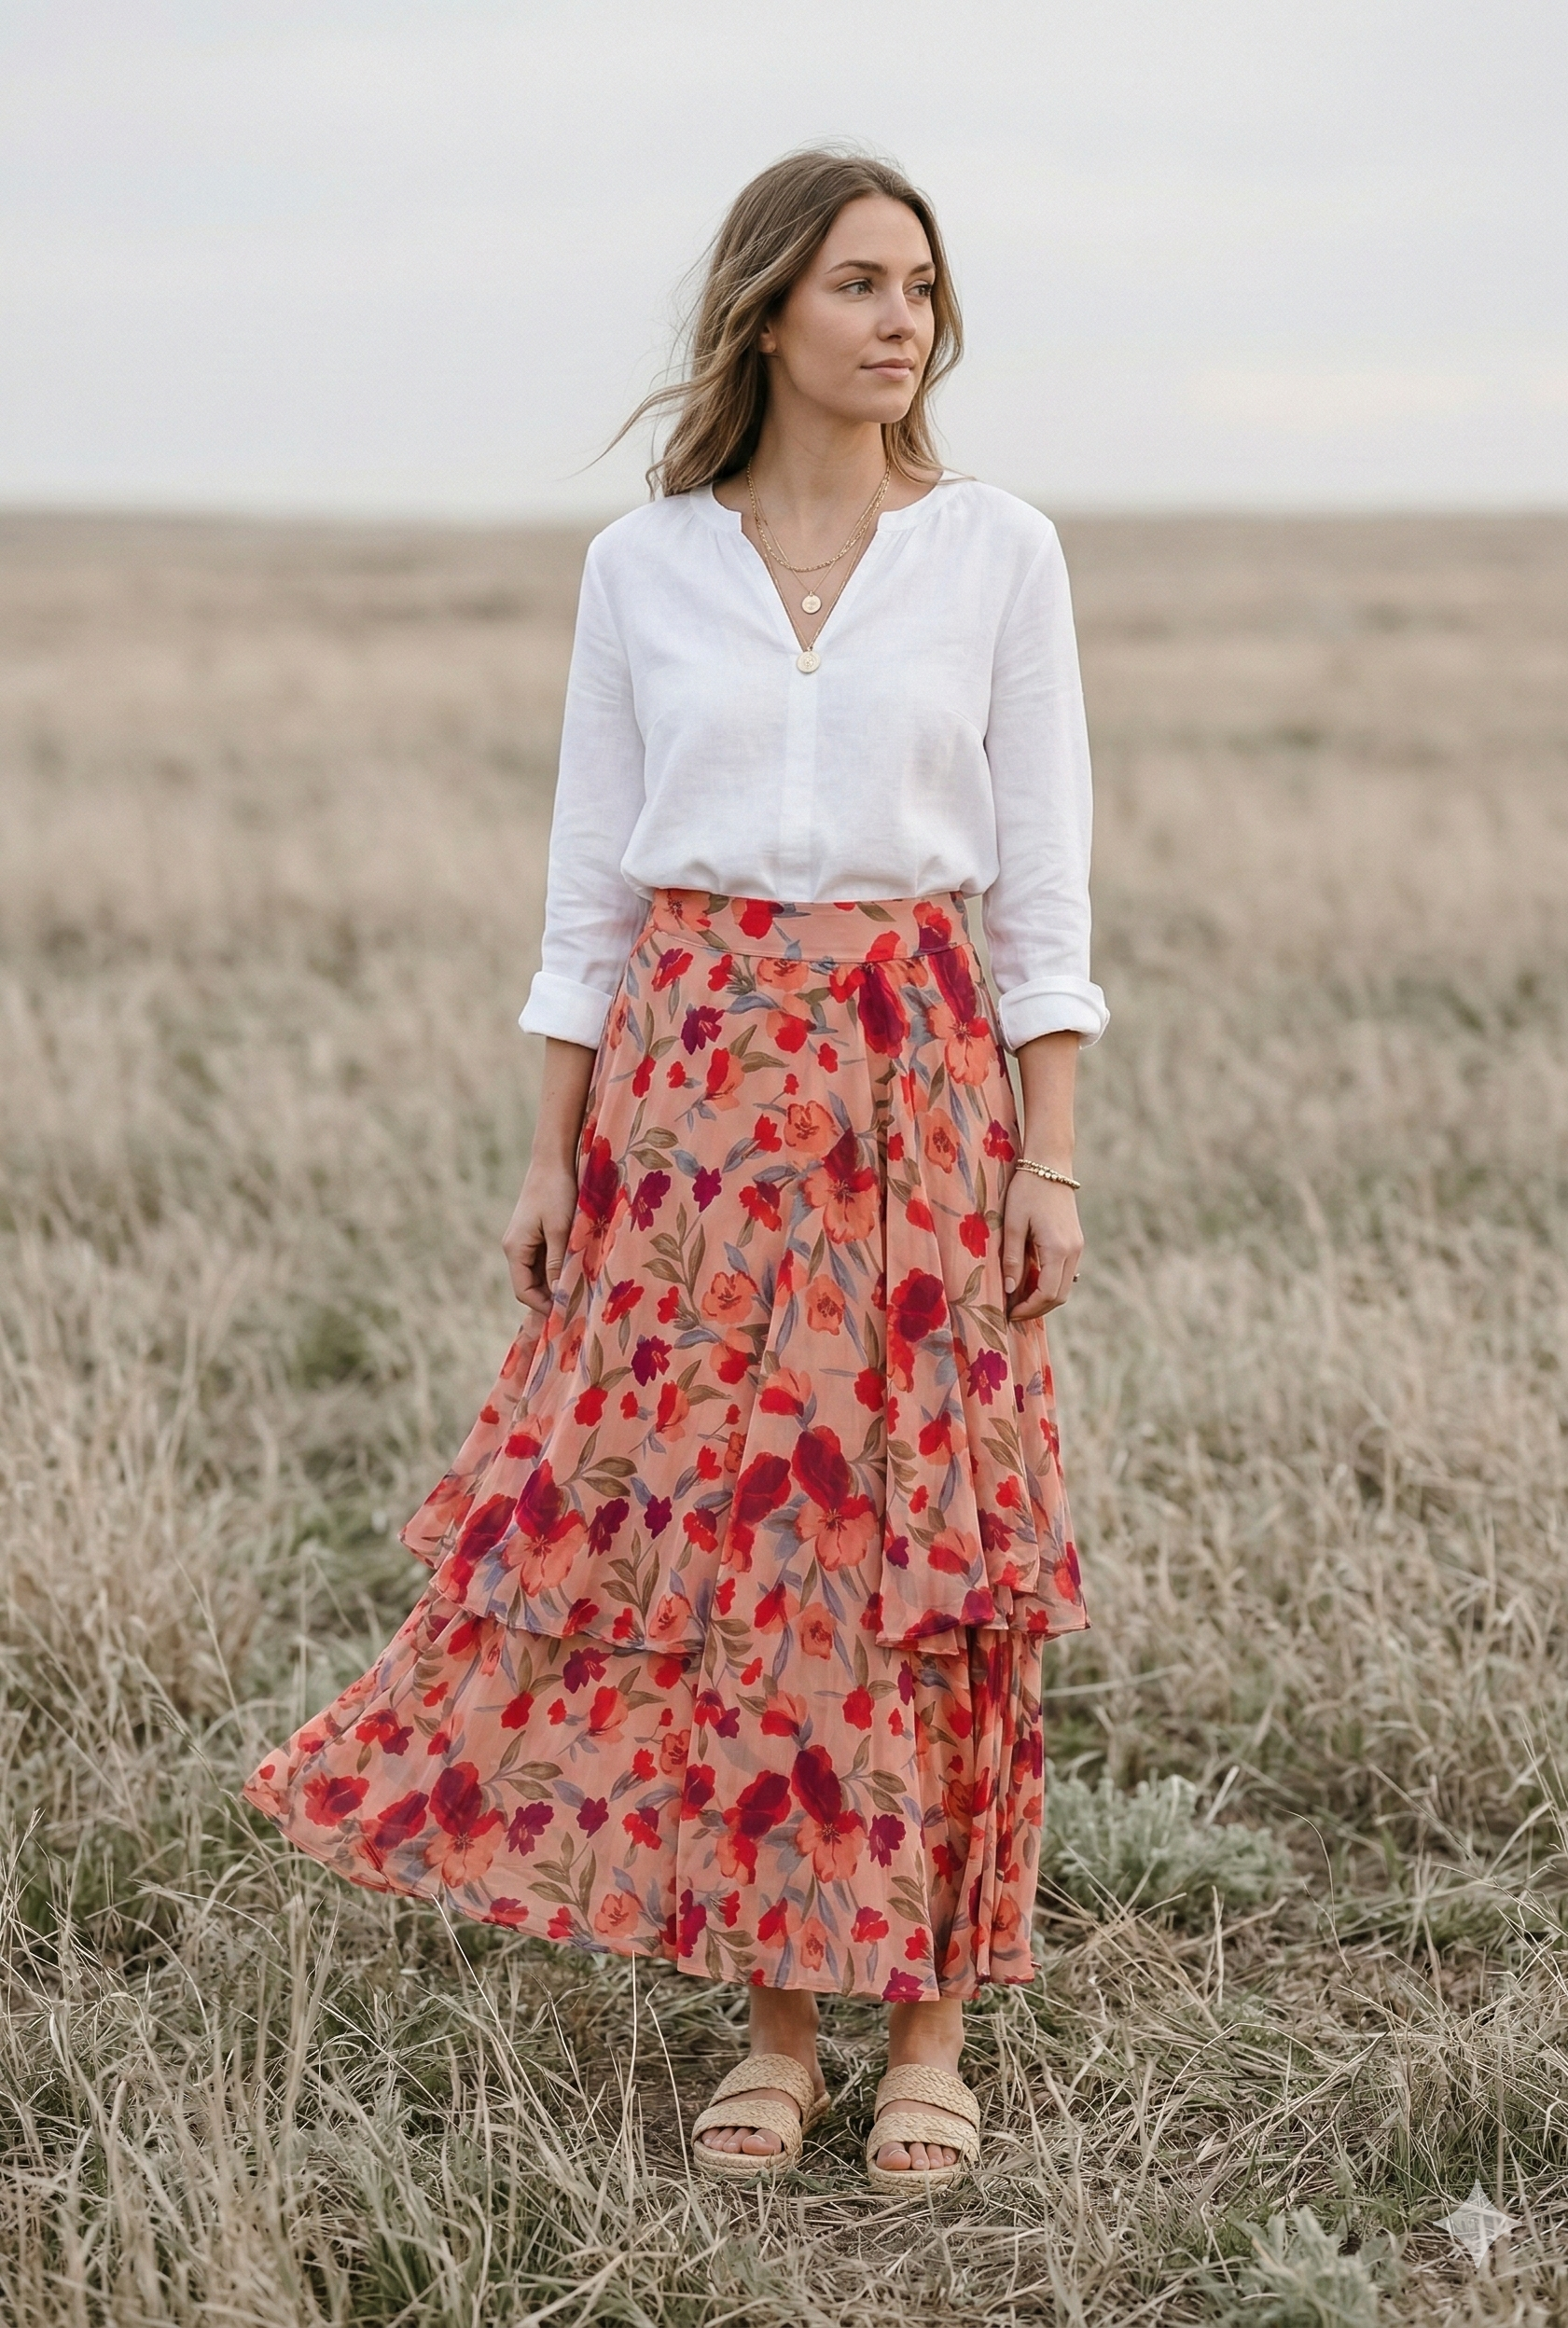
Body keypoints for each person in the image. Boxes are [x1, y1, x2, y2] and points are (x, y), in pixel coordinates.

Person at [243, 146, 1107, 2197]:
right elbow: (588, 891)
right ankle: (778, 2023)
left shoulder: (996, 551)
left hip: (913, 1090)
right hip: (691, 1094)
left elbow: (1042, 891)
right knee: (736, 1555)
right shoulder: (644, 567)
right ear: (766, 313)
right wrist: (550, 1156)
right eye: (859, 285)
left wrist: (1051, 1158)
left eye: (920, 287)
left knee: (915, 1552)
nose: (900, 322)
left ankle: (927, 2027)